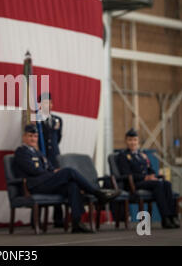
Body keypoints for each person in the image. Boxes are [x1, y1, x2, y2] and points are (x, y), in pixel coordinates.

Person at [13, 124, 120, 233]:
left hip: (46, 183)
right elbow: (33, 170)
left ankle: (76, 223)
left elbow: (50, 167)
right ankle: (97, 193)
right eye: (30, 136)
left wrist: (53, 172)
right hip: (34, 185)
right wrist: (53, 173)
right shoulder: (21, 152)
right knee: (68, 171)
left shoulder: (38, 152)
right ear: (24, 137)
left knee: (72, 186)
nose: (33, 139)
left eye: (35, 136)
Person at [117, 128, 180, 229]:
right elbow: (126, 174)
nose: (133, 142)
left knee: (166, 183)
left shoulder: (142, 155)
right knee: (158, 184)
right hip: (135, 184)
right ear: (126, 141)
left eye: (135, 140)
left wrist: (153, 176)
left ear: (138, 142)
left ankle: (173, 216)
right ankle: (165, 218)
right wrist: (145, 177)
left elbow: (150, 169)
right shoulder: (123, 156)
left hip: (148, 182)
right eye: (130, 140)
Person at [39, 92, 63, 227]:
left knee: (59, 184)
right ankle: (36, 220)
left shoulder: (58, 120)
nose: (47, 105)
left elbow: (57, 139)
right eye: (44, 103)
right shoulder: (35, 120)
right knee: (41, 183)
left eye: (49, 102)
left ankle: (58, 219)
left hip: (54, 157)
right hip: (42, 157)